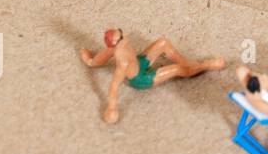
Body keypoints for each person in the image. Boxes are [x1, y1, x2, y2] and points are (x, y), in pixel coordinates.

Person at [79, 29, 225, 124]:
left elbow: (102, 56)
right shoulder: (122, 61)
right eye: (121, 36)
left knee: (163, 42)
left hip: (140, 63)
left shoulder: (118, 46)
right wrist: (112, 108)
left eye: (121, 32)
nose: (124, 35)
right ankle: (204, 66)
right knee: (177, 69)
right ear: (117, 43)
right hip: (141, 78)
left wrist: (91, 61)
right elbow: (114, 85)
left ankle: (187, 62)